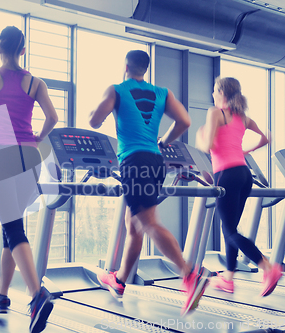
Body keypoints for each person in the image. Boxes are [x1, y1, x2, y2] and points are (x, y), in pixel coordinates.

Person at [89, 50, 210, 316]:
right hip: (156, 161)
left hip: (133, 161)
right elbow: (185, 121)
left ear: (126, 66)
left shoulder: (117, 90)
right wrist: (165, 141)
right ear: (146, 68)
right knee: (133, 224)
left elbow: (94, 121)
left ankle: (189, 275)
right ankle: (119, 280)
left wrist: (96, 110)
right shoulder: (162, 92)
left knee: (148, 223)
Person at [0, 26, 58, 333]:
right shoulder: (35, 82)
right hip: (29, 157)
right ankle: (1, 295)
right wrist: (37, 136)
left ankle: (37, 295)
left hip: (0, 156)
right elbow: (53, 118)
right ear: (23, 50)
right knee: (13, 225)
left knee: (13, 227)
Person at [195, 76, 282, 296]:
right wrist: (245, 152)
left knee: (230, 229)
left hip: (226, 175)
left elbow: (207, 146)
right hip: (244, 175)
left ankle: (268, 267)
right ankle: (229, 279)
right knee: (230, 228)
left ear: (222, 93)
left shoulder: (216, 113)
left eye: (215, 90)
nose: (213, 94)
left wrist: (199, 135)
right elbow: (266, 138)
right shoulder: (242, 117)